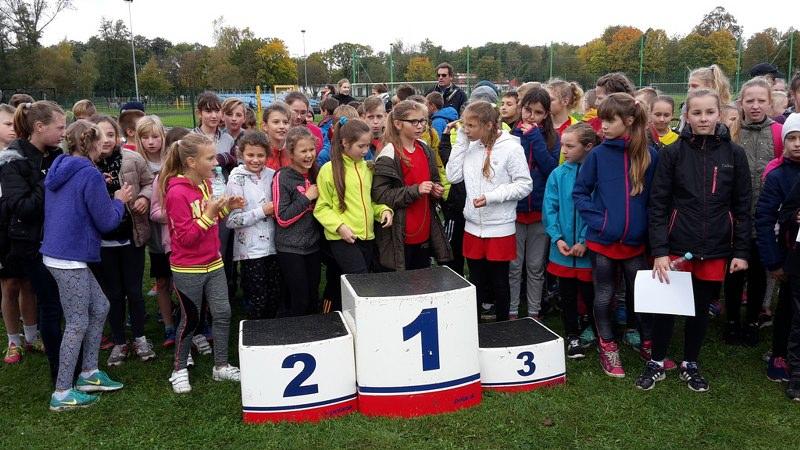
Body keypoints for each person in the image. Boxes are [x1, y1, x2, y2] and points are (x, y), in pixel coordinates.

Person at [638, 89, 751, 392]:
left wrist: (741, 251)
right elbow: (658, 204)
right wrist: (660, 251)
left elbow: (742, 206)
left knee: (700, 309)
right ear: (686, 115)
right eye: (696, 113)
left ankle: (690, 363)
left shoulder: (734, 154)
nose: (703, 118)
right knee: (665, 308)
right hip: (677, 246)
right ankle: (657, 362)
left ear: (719, 114)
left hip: (715, 247)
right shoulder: (673, 153)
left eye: (709, 112)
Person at [42, 120, 132, 411]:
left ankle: (89, 373)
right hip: (69, 257)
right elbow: (107, 222)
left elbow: (75, 198)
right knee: (77, 322)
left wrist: (98, 187)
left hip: (60, 252)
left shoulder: (60, 165)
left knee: (101, 306)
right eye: (101, 139)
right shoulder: (89, 173)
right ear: (91, 144)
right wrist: (119, 200)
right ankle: (62, 392)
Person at [573, 92, 658, 378]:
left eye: (610, 120)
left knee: (641, 294)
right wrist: (603, 223)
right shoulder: (597, 155)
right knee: (604, 294)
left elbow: (656, 200)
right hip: (603, 242)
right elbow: (580, 192)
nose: (603, 126)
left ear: (630, 120)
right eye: (602, 120)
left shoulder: (650, 155)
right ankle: (607, 345)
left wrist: (644, 228)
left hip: (635, 244)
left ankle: (648, 342)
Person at [160, 133, 244, 394]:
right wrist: (209, 213)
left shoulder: (206, 184)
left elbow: (211, 222)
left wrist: (227, 208)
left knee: (223, 313)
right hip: (188, 269)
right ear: (191, 162)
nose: (216, 163)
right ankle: (179, 370)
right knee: (191, 319)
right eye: (210, 158)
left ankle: (221, 366)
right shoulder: (176, 193)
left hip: (214, 263)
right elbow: (185, 238)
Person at [446, 100, 533, 322]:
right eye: (465, 124)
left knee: (499, 281)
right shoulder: (470, 145)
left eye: (471, 125)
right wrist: (461, 141)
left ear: (488, 125)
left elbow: (524, 184)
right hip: (473, 226)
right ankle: (475, 327)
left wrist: (492, 197)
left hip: (500, 226)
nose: (466, 129)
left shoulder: (511, 148)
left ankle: (502, 327)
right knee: (476, 280)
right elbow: (452, 176)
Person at [0, 101, 65, 383]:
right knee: (49, 304)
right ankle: (59, 373)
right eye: (59, 127)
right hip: (30, 244)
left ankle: (65, 359)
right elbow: (23, 207)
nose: (64, 132)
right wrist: (47, 179)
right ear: (39, 127)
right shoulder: (13, 160)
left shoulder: (55, 154)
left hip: (58, 239)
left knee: (58, 304)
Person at [90, 115, 155, 366]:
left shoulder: (133, 159)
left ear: (118, 136)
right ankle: (118, 341)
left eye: (110, 134)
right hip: (101, 243)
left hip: (131, 237)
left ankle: (140, 337)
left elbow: (149, 183)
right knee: (113, 294)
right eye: (99, 135)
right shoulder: (87, 164)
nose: (106, 140)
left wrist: (145, 198)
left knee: (134, 291)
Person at [725, 76, 783, 346]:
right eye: (750, 100)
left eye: (761, 100)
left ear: (770, 103)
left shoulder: (778, 132)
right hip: (736, 215)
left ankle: (751, 321)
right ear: (741, 103)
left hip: (766, 216)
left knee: (759, 271)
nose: (756, 105)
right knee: (734, 271)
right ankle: (731, 320)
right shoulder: (732, 131)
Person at [372, 100, 452, 271]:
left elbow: (434, 179)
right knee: (400, 282)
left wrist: (436, 189)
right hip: (399, 233)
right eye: (414, 121)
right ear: (398, 124)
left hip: (424, 229)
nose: (420, 126)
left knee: (422, 279)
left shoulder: (425, 148)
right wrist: (416, 190)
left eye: (423, 121)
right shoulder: (389, 154)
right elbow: (380, 195)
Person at [543, 122, 598, 358]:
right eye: (562, 145)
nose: (563, 150)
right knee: (567, 295)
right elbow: (550, 208)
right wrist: (557, 238)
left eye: (570, 146)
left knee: (591, 294)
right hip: (563, 250)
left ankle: (598, 331)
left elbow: (598, 209)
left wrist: (585, 241)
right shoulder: (558, 174)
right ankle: (572, 335)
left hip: (588, 250)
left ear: (588, 146)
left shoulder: (597, 174)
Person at [314, 119, 393, 276]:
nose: (365, 151)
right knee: (360, 279)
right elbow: (321, 207)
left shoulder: (368, 168)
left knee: (353, 281)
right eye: (360, 146)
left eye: (367, 145)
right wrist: (340, 227)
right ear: (345, 143)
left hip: (367, 237)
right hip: (342, 238)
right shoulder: (328, 170)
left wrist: (383, 210)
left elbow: (369, 202)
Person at [755, 113, 800, 383]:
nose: (797, 144)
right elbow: (764, 219)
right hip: (787, 253)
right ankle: (780, 353)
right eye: (791, 138)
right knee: (786, 306)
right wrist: (773, 261)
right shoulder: (778, 176)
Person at [509, 87, 560, 320]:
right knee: (514, 266)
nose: (531, 117)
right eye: (528, 110)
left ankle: (533, 311)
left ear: (546, 114)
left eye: (538, 113)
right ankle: (512, 310)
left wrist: (535, 138)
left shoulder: (552, 138)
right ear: (521, 108)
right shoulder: (509, 137)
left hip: (539, 212)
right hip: (514, 211)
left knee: (535, 266)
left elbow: (551, 169)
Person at [0, 103, 42, 364]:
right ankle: (13, 340)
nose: (12, 129)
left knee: (29, 283)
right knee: (9, 285)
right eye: (6, 124)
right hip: (4, 229)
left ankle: (32, 334)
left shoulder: (25, 155)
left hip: (26, 228)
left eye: (14, 124)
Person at [225, 131, 281, 320]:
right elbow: (232, 220)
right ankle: (255, 331)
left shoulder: (272, 175)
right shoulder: (236, 179)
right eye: (250, 155)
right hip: (251, 251)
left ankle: (271, 331)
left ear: (267, 155)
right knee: (258, 297)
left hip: (273, 247)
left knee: (274, 294)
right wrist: (261, 211)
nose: (255, 160)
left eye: (260, 155)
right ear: (241, 154)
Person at [135, 115, 176, 348]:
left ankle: (181, 316)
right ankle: (168, 322)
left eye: (155, 136)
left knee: (179, 279)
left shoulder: (171, 160)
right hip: (155, 231)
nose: (151, 142)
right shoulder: (137, 162)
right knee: (162, 278)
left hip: (177, 231)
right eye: (145, 137)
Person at [273, 127, 321, 316]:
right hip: (290, 248)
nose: (309, 155)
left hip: (313, 246)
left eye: (311, 149)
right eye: (303, 151)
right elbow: (282, 217)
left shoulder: (316, 173)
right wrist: (306, 198)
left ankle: (313, 331)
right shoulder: (282, 177)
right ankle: (293, 330)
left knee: (313, 296)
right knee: (299, 299)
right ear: (291, 154)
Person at [193, 91, 236, 174]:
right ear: (199, 113)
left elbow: (233, 169)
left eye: (217, 111)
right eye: (208, 111)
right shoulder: (190, 139)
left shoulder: (228, 139)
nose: (214, 116)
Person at [261, 102, 292, 170]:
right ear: (265, 126)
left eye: (285, 122)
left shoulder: (293, 152)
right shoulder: (259, 152)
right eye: (276, 122)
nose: (282, 126)